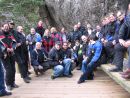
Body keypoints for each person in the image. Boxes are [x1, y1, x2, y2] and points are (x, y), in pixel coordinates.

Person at [0, 23, 17, 90]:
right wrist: (6, 49)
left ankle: (13, 83)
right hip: (4, 54)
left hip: (11, 53)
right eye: (5, 27)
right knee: (8, 70)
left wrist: (13, 48)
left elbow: (14, 42)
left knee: (13, 69)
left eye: (7, 26)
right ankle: (8, 84)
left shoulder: (10, 34)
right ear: (2, 27)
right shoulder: (0, 34)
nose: (6, 28)